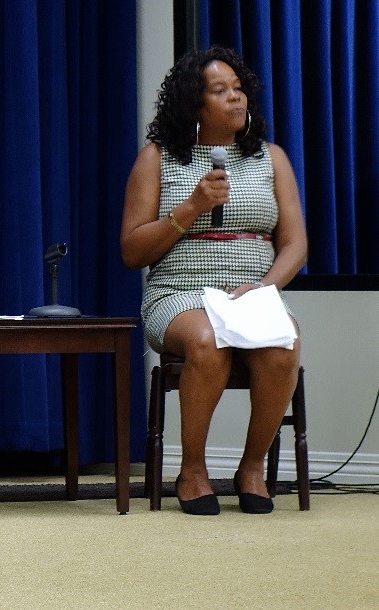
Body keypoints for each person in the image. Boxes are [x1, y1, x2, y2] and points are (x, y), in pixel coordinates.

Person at [121, 46, 307, 515]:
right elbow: (132, 251)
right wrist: (190, 209)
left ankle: (251, 467)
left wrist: (265, 288)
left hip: (251, 290)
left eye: (239, 89)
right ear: (193, 103)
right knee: (207, 339)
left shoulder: (271, 158)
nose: (236, 99)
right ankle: (193, 471)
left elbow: (295, 245)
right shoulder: (157, 159)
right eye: (220, 91)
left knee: (283, 341)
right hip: (180, 292)